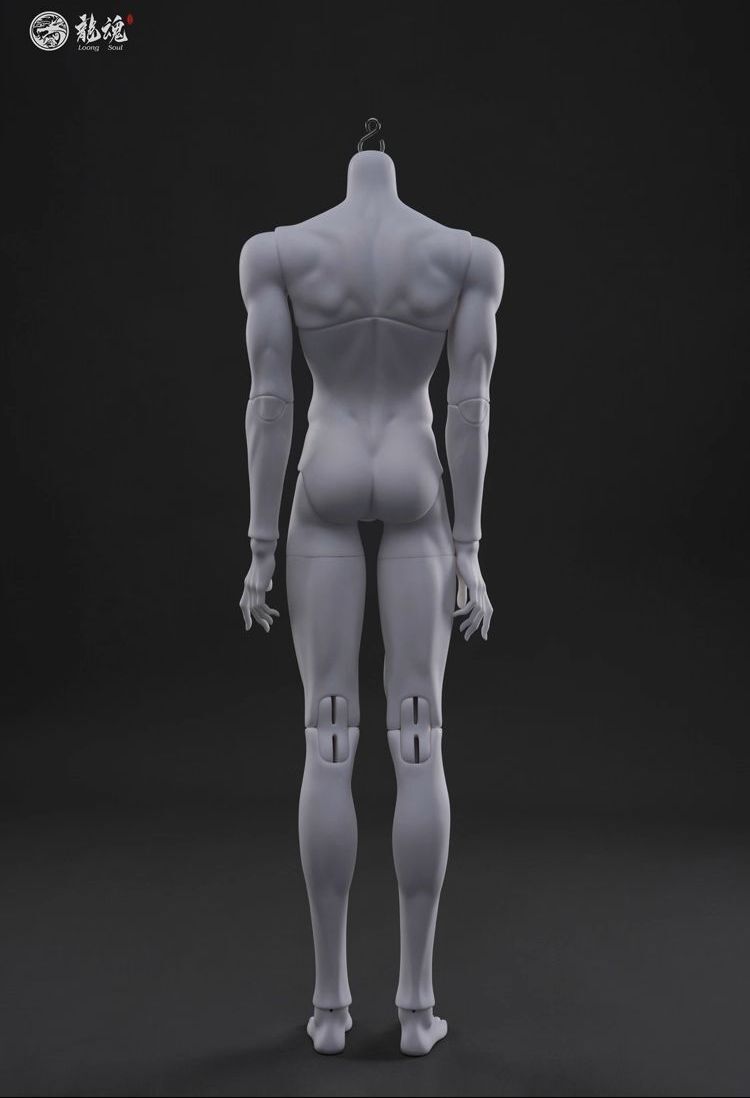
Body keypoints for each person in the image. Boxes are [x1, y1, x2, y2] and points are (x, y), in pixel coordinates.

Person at [239, 143, 504, 1055]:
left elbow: (270, 401)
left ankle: (330, 1009)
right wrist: (469, 548)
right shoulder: (465, 257)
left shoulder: (280, 252)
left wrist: (260, 547)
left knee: (329, 731)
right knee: (419, 732)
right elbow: (470, 406)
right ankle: (419, 1009)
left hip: (329, 464)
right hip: (415, 472)